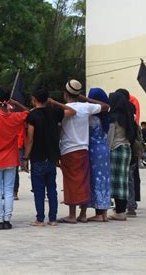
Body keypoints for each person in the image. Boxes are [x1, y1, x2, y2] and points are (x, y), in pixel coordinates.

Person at [22, 87, 76, 227]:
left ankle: (40, 219)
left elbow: (30, 140)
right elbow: (73, 112)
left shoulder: (32, 116)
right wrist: (56, 103)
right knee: (51, 188)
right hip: (52, 157)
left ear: (34, 100)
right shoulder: (55, 112)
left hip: (37, 157)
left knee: (39, 190)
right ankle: (53, 219)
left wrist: (25, 157)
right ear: (47, 99)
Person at [58, 80, 109, 224]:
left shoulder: (64, 109)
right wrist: (85, 99)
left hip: (68, 149)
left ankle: (72, 215)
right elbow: (106, 106)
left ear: (65, 94)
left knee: (70, 182)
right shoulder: (86, 107)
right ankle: (83, 214)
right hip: (84, 149)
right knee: (84, 181)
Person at [0, 88, 29, 230]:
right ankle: (7, 219)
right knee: (8, 191)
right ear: (8, 101)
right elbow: (30, 112)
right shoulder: (16, 117)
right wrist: (16, 103)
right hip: (11, 159)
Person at [107, 91, 135, 221]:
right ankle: (121, 210)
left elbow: (110, 137)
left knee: (116, 182)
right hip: (127, 149)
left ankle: (119, 211)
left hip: (116, 149)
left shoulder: (113, 117)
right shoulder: (127, 116)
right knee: (123, 181)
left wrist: (107, 150)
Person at [86, 88, 111, 222]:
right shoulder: (107, 117)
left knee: (96, 180)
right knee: (104, 181)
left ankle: (99, 214)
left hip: (94, 150)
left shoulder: (92, 117)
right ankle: (104, 213)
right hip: (104, 149)